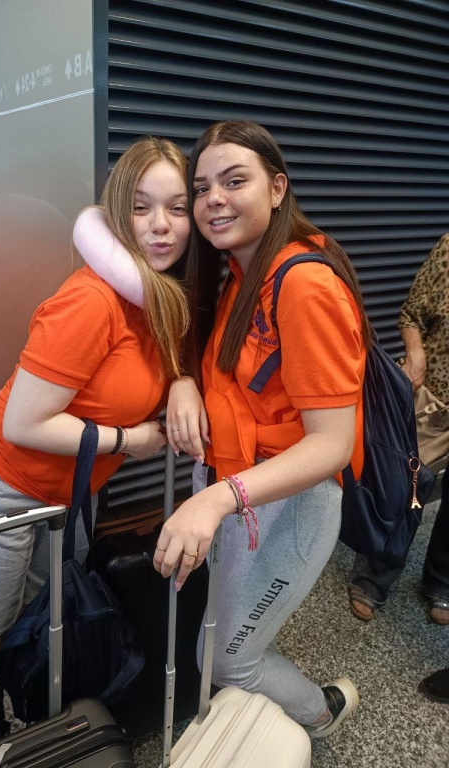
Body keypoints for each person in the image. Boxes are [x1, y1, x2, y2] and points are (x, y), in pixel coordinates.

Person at [0, 136, 191, 768]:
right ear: (118, 212)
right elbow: (22, 423)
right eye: (142, 207)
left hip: (60, 498)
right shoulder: (92, 299)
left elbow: (158, 370)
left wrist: (184, 383)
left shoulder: (158, 300)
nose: (161, 225)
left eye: (176, 208)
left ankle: (22, 742)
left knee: (26, 632)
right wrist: (131, 441)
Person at [77, 120, 369, 737]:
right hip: (235, 492)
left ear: (277, 188)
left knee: (232, 656)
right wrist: (183, 380)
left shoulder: (304, 285)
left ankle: (322, 714)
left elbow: (333, 444)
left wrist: (213, 500)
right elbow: (212, 355)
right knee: (225, 628)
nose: (214, 200)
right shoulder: (238, 272)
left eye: (235, 182)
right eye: (202, 187)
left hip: (284, 504)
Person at [348, 233, 449, 625]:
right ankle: (373, 578)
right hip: (438, 402)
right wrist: (416, 351)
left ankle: (442, 581)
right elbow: (413, 314)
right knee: (405, 489)